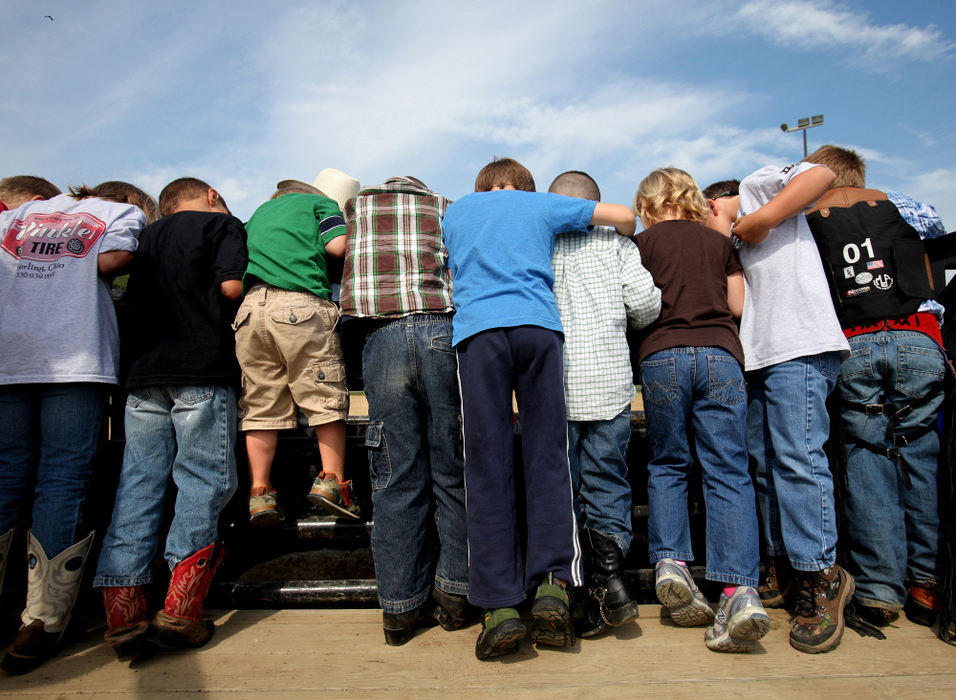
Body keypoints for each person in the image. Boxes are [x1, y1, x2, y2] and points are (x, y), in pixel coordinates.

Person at [442, 157, 636, 660]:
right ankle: (553, 585)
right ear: (523, 187)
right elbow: (624, 215)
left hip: (479, 334)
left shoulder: (459, 211)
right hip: (537, 329)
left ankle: (500, 607)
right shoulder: (538, 204)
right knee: (547, 457)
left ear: (483, 186)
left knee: (486, 467)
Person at [92, 177, 248, 662]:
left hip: (141, 374)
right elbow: (230, 287)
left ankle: (124, 612)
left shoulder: (142, 234)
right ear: (211, 196)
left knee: (139, 482)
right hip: (199, 366)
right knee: (202, 480)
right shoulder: (222, 224)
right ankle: (181, 610)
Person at [0, 181, 151, 674]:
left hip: (9, 358)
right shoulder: (119, 212)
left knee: (5, 476)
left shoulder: (14, 218)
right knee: (61, 478)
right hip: (77, 358)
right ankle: (41, 619)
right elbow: (111, 263)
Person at [704, 158, 854, 654]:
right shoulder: (727, 243)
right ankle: (782, 564)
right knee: (763, 466)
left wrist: (758, 219)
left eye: (701, 212)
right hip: (759, 353)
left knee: (797, 459)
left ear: (713, 202)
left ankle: (822, 576)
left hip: (799, 344)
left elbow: (823, 175)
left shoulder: (754, 188)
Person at [801, 145, 949, 631]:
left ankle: (880, 589)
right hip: (917, 338)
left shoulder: (807, 220)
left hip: (854, 343)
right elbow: (936, 256)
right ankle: (926, 582)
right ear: (860, 174)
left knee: (868, 458)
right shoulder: (908, 205)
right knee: (920, 457)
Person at [633, 167, 769, 652]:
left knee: (669, 463)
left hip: (662, 354)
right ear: (693, 199)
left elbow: (637, 306)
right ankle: (739, 591)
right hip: (720, 354)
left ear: (647, 205)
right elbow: (736, 305)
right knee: (728, 470)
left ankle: (671, 563)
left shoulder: (642, 246)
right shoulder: (718, 243)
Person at [340, 176, 470, 645]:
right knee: (452, 472)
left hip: (383, 336)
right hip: (441, 331)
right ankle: (455, 595)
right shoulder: (446, 206)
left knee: (394, 478)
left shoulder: (355, 209)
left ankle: (399, 609)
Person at [548, 170, 660, 637]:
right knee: (608, 484)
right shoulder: (618, 245)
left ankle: (569, 589)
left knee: (563, 491)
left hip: (554, 389)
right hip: (610, 385)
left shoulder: (543, 248)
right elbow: (646, 306)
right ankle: (609, 581)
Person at [234, 175, 358, 525]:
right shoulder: (321, 205)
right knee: (324, 394)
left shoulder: (258, 214)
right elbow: (337, 246)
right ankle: (332, 481)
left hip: (250, 310)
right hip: (299, 306)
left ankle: (260, 493)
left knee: (259, 402)